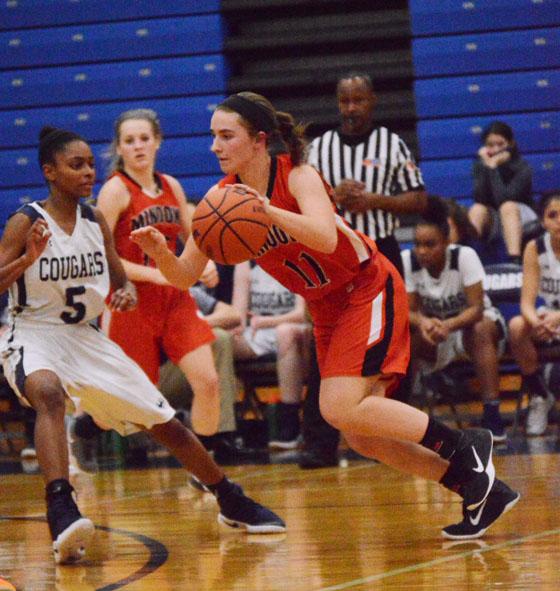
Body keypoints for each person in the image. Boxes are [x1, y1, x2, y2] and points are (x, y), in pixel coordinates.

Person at [131, 91, 520, 540]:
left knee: (337, 406)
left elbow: (324, 236)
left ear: (258, 141)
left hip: (366, 287)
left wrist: (266, 211)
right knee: (360, 434)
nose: (215, 146)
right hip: (326, 307)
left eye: (225, 136)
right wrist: (161, 252)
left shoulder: (297, 175)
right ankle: (478, 487)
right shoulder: (218, 204)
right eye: (212, 136)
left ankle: (464, 444)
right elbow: (183, 277)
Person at [0, 126, 285, 564]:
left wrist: (125, 291)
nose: (87, 172)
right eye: (76, 165)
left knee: (164, 422)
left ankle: (229, 497)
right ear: (50, 172)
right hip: (33, 332)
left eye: (90, 164)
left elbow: (117, 275)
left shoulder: (94, 220)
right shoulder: (26, 220)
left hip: (85, 338)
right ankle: (60, 504)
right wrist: (26, 260)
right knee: (48, 393)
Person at [304, 71, 428, 464]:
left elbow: (419, 199)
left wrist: (375, 201)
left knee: (392, 347)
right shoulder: (320, 148)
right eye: (345, 101)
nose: (351, 108)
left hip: (383, 253)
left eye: (359, 100)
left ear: (372, 100)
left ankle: (388, 437)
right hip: (335, 255)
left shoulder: (391, 144)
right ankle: (319, 444)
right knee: (323, 345)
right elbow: (304, 202)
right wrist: (333, 199)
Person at [96, 109, 221, 442]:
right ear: (119, 148)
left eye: (144, 139)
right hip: (130, 301)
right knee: (132, 405)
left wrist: (203, 262)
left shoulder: (171, 186)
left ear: (158, 142)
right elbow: (102, 256)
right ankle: (84, 425)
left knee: (208, 382)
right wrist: (159, 275)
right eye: (129, 141)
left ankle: (207, 466)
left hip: (173, 298)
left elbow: (191, 236)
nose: (138, 146)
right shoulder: (115, 191)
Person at [402, 197, 508, 442]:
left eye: (430, 244)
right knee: (404, 335)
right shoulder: (409, 261)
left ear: (447, 241)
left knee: (479, 328)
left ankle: (492, 414)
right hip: (436, 332)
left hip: (474, 328)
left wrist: (447, 325)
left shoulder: (464, 256)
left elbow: (477, 309)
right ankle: (405, 415)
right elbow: (409, 311)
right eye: (417, 244)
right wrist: (424, 323)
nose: (422, 251)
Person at [159, 284, 267, 464]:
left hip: (188, 373)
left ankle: (221, 438)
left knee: (217, 337)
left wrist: (195, 324)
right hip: (152, 380)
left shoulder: (183, 289)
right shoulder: (143, 292)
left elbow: (232, 315)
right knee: (215, 339)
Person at [231, 261, 311, 449]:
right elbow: (238, 315)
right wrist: (236, 327)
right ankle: (225, 428)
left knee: (285, 333)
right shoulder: (245, 262)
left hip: (295, 330)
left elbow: (302, 314)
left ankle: (289, 426)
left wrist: (268, 321)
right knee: (221, 341)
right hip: (258, 332)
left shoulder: (296, 258)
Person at [509, 191, 560, 436]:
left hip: (556, 317)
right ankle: (540, 395)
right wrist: (536, 322)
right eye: (553, 215)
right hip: (548, 316)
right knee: (518, 326)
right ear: (543, 222)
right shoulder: (534, 248)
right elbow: (527, 302)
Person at [468, 121, 536, 264]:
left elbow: (504, 199)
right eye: (490, 145)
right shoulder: (480, 166)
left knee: (507, 207)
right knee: (477, 209)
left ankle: (514, 260)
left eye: (500, 144)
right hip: (495, 216)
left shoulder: (522, 167)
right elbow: (479, 198)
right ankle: (470, 261)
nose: (496, 149)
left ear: (510, 144)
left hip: (521, 215)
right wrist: (486, 168)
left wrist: (493, 168)